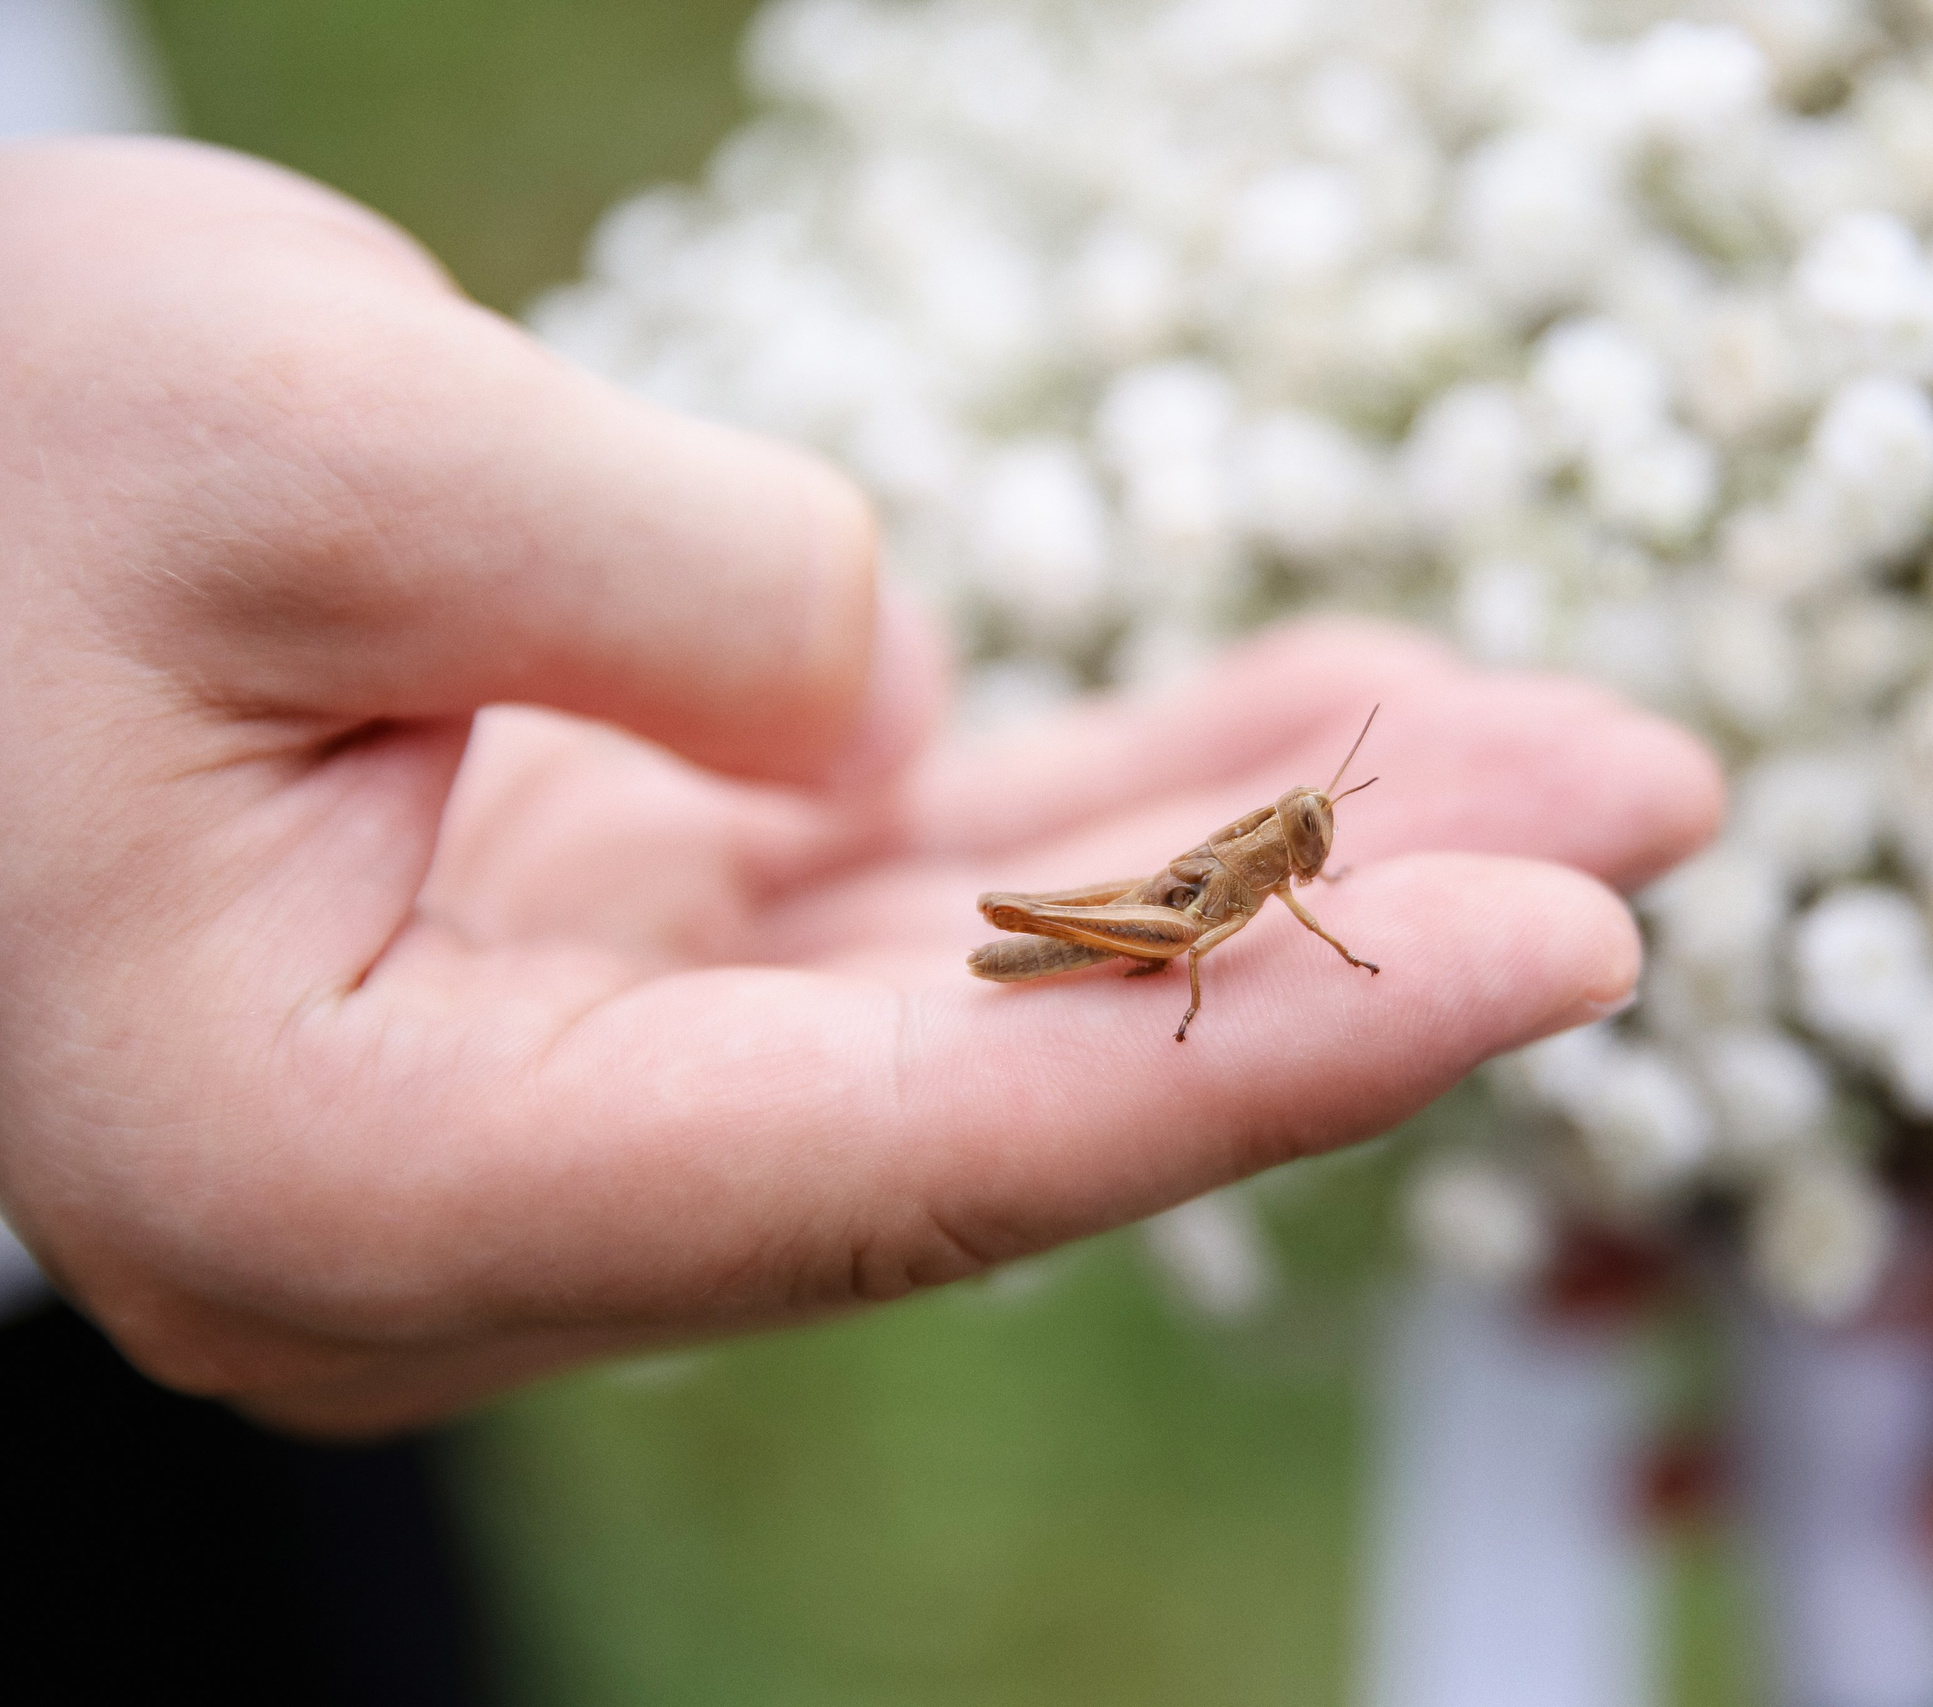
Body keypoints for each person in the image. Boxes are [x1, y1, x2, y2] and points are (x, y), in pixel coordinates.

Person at [0, 135, 1722, 1435]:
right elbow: (1204, 917)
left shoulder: (1282, 858)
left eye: (1314, 841)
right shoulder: (1244, 885)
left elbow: (1268, 895)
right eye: (1312, 834)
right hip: (1100, 927)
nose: (1315, 851)